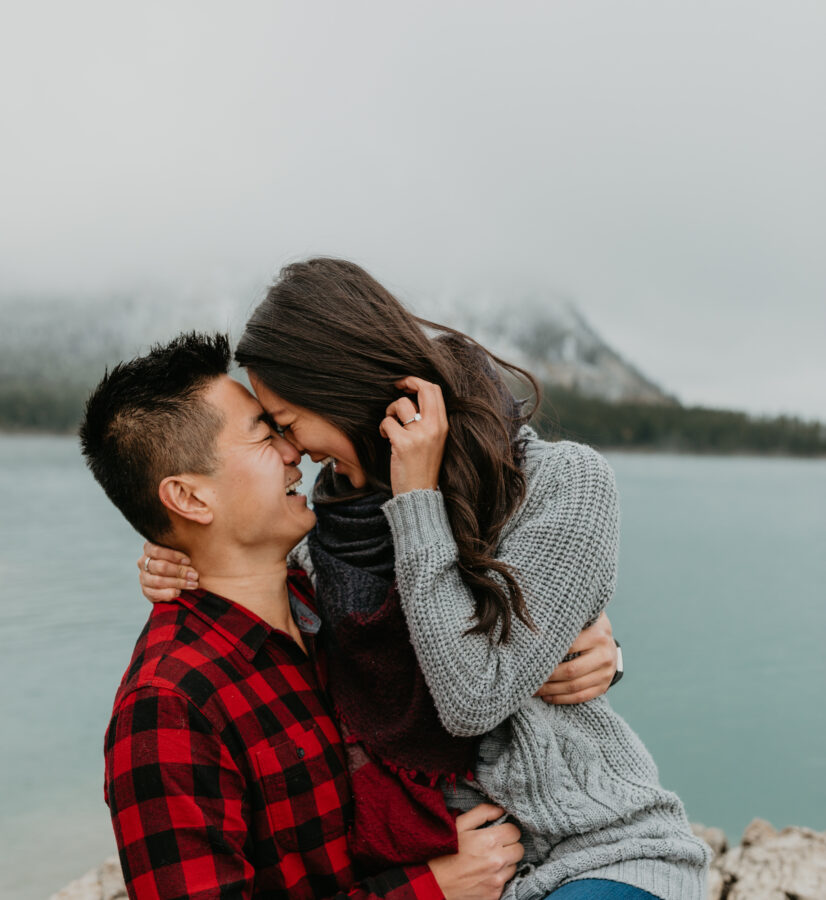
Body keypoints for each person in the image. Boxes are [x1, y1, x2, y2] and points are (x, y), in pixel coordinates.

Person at [139, 259, 711, 899]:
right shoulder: (321, 540)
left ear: (341, 393)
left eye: (287, 421)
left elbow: (473, 697)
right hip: (438, 867)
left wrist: (417, 501)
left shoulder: (563, 485)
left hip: (589, 850)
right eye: (269, 432)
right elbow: (271, 625)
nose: (292, 451)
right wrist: (179, 555)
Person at [79, 332, 525, 900]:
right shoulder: (168, 708)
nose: (296, 452)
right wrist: (428, 891)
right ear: (190, 498)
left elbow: (475, 661)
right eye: (265, 435)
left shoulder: (330, 594)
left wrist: (588, 650)